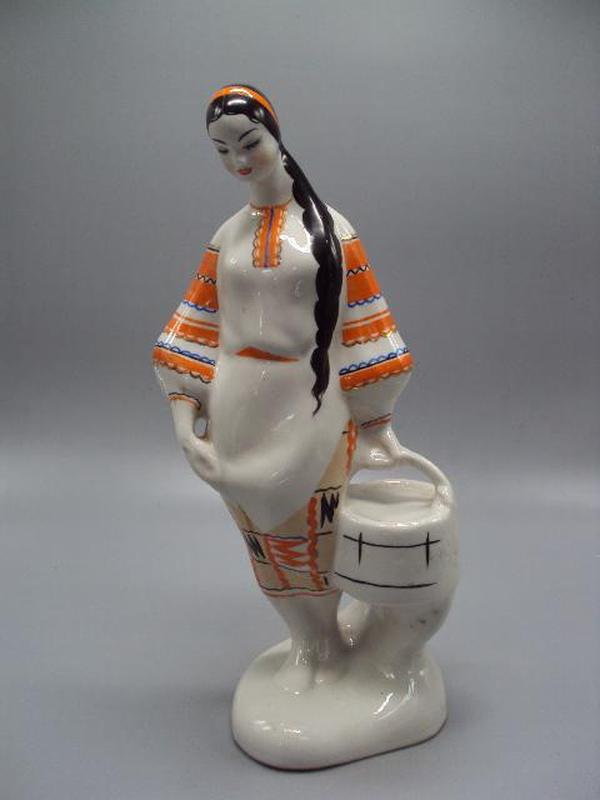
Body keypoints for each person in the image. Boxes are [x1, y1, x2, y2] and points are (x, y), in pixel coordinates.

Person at [153, 84, 413, 692]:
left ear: (275, 136)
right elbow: (195, 325)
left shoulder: (333, 231)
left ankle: (329, 644)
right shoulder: (227, 237)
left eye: (249, 143)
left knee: (317, 533)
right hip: (236, 406)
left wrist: (376, 422)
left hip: (311, 403)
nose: (239, 161)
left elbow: (366, 326)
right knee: (263, 540)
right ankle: (307, 643)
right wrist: (184, 419)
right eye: (222, 151)